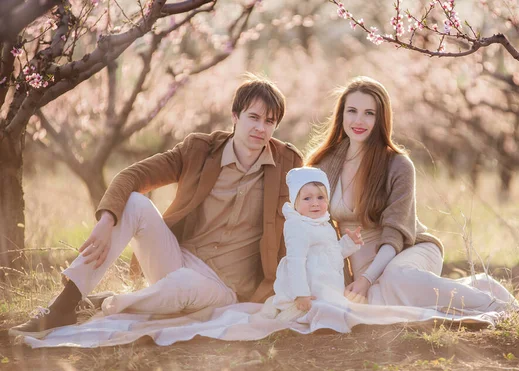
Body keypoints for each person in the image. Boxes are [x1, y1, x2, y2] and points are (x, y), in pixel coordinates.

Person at [10, 74, 303, 339]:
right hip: (178, 258)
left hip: (224, 287)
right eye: (254, 117)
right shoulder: (200, 150)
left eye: (270, 122)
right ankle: (65, 304)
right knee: (135, 202)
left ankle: (104, 305)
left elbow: (313, 213)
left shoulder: (287, 163)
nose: (261, 128)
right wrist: (107, 220)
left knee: (184, 286)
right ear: (235, 116)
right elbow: (132, 175)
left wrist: (340, 275)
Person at [306, 76, 516, 311]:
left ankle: (495, 304)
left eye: (369, 113)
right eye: (352, 111)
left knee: (397, 279)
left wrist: (367, 280)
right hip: (362, 264)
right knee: (366, 307)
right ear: (341, 115)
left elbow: (395, 235)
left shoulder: (398, 165)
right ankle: (477, 285)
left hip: (407, 250)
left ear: (381, 119)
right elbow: (312, 225)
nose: (359, 120)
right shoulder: (324, 164)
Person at [261, 167, 363, 321]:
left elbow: (331, 252)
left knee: (334, 311)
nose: (315, 203)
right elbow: (295, 262)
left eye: (320, 197)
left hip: (325, 286)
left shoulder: (324, 223)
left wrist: (349, 242)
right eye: (307, 198)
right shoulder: (297, 226)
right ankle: (283, 310)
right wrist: (301, 293)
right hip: (308, 289)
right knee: (304, 314)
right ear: (295, 201)